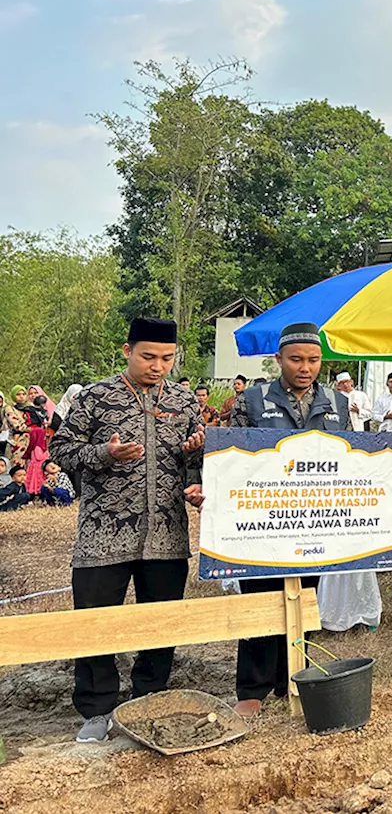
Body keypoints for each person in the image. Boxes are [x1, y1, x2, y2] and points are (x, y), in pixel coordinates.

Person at [48, 317, 206, 743]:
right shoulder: (96, 398)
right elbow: (60, 449)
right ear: (127, 351)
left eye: (167, 359)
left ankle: (150, 697)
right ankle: (97, 709)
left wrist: (197, 462)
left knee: (161, 622)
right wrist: (105, 452)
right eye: (148, 356)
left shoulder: (184, 400)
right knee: (97, 622)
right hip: (103, 534)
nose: (158, 366)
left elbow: (199, 458)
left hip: (166, 533)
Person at [227, 322, 350, 717]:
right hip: (263, 521)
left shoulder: (336, 402)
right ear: (278, 359)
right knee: (261, 600)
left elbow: (350, 456)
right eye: (296, 359)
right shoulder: (252, 398)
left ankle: (294, 676)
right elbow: (232, 455)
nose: (305, 367)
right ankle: (253, 687)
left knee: (306, 599)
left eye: (313, 360)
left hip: (315, 521)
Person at [5, 386, 31, 463]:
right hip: (17, 442)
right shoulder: (10, 409)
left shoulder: (30, 408)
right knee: (17, 468)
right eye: (18, 394)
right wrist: (32, 429)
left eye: (23, 394)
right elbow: (17, 426)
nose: (21, 396)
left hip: (32, 441)